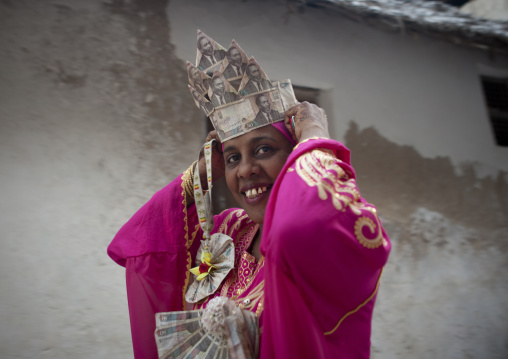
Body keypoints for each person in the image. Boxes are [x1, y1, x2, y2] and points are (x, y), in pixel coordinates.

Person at [108, 101, 391, 359]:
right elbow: (141, 245)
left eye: (264, 149)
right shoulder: (229, 231)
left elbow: (297, 228)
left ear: (296, 155)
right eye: (233, 158)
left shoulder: (327, 235)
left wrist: (314, 134)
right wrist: (201, 175)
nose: (245, 170)